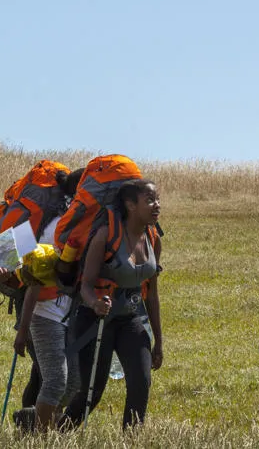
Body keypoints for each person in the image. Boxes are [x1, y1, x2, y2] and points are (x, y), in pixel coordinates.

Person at [63, 179, 164, 430]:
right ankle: (56, 432)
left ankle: (131, 440)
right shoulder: (105, 236)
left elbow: (151, 294)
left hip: (131, 318)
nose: (157, 205)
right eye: (149, 200)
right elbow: (85, 286)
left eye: (157, 199)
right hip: (96, 319)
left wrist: (159, 341)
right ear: (130, 205)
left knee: (141, 383)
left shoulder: (153, 238)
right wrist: (95, 304)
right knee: (92, 393)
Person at [10, 169, 85, 432]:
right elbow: (36, 277)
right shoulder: (57, 228)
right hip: (46, 313)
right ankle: (42, 439)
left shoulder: (84, 225)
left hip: (70, 315)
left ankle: (33, 422)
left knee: (72, 383)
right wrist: (23, 330)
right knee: (55, 381)